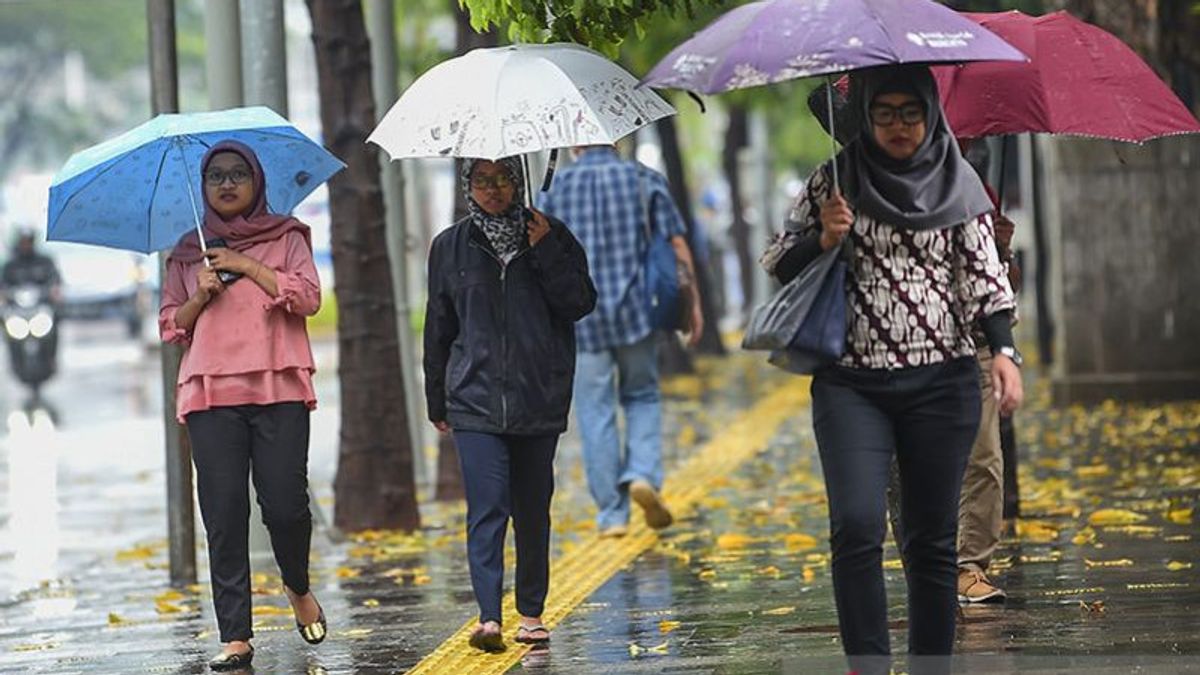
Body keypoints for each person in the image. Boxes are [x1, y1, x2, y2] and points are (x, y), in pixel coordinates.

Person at [760, 65, 1023, 675]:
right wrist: (823, 238)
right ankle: (867, 666)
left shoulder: (959, 182)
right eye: (885, 113)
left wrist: (1004, 353)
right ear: (866, 115)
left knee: (930, 543)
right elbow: (778, 261)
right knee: (854, 526)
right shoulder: (834, 178)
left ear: (929, 113)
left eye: (910, 112)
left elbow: (985, 280)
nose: (899, 126)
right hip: (852, 383)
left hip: (943, 381)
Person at [159, 141, 326, 671]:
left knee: (285, 507)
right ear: (204, 189)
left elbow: (308, 298)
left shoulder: (288, 236)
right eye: (215, 177)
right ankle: (235, 634)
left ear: (256, 180)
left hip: (278, 388)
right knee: (224, 515)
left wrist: (245, 265)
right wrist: (201, 293)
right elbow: (171, 325)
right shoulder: (188, 251)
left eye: (237, 174)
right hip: (210, 393)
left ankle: (297, 584)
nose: (226, 184)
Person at [424, 156, 596, 652]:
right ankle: (487, 617)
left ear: (518, 182)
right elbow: (439, 327)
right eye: (483, 181)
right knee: (487, 506)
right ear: (468, 186)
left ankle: (532, 612)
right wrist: (437, 398)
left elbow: (579, 303)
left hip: (538, 394)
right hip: (473, 398)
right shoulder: (450, 246)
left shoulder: (553, 235)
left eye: (503, 180)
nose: (494, 190)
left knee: (532, 508)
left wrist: (545, 252)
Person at [538, 145, 703, 538]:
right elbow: (677, 245)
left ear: (576, 143)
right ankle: (643, 473)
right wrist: (692, 304)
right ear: (615, 136)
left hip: (582, 318)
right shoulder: (644, 179)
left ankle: (612, 514)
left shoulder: (553, 190)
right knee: (642, 395)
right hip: (638, 314)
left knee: (595, 412)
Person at [2, 228, 62, 298]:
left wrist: (54, 288)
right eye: (23, 242)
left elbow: (54, 277)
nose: (26, 245)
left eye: (28, 242)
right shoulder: (11, 265)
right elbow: (4, 282)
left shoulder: (45, 261)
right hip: (15, 302)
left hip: (42, 301)